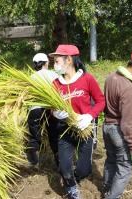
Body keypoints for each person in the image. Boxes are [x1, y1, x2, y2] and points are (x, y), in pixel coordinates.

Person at [49, 44, 105, 199]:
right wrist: (56, 113)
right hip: (65, 130)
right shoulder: (55, 84)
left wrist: (89, 116)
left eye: (57, 60)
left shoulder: (87, 79)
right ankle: (71, 187)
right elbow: (51, 108)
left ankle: (75, 177)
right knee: (65, 168)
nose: (55, 64)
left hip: (85, 128)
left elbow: (101, 101)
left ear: (69, 60)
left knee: (84, 170)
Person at [102, 51, 132, 199]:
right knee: (126, 166)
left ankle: (107, 190)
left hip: (107, 127)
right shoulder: (129, 88)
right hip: (119, 130)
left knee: (111, 160)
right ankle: (112, 196)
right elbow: (128, 123)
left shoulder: (111, 77)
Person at [26, 53, 58, 165]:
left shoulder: (31, 77)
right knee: (54, 135)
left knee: (35, 135)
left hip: (35, 110)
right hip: (51, 109)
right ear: (46, 63)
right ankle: (59, 161)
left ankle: (33, 150)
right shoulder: (53, 75)